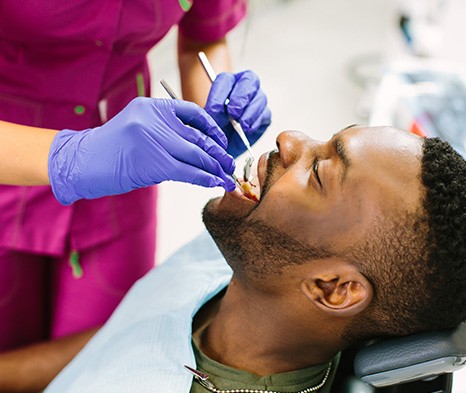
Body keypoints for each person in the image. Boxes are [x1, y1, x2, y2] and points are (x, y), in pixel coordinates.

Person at [42, 125, 466, 393]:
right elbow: (123, 340)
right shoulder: (251, 254)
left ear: (333, 289)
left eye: (318, 172)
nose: (289, 139)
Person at [0, 0, 271, 385]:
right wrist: (69, 156)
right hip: (11, 159)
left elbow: (204, 38)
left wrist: (216, 102)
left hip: (127, 167)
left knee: (111, 350)